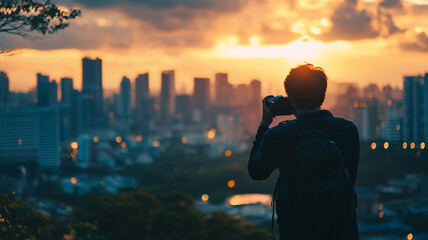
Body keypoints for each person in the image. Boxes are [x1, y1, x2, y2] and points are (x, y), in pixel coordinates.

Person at [248, 63, 359, 240]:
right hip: (341, 230)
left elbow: (256, 171)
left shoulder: (280, 134)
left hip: (297, 231)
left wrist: (264, 124)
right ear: (322, 94)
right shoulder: (347, 129)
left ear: (290, 98)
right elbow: (350, 178)